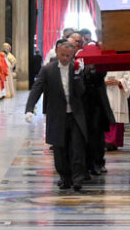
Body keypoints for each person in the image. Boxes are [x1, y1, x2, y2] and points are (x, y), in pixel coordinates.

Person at [25, 38, 88, 191]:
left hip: (75, 115)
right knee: (60, 149)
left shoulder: (77, 69)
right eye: (62, 55)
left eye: (68, 56)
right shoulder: (48, 69)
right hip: (57, 115)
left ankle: (77, 179)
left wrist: (78, 76)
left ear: (72, 55)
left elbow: (81, 92)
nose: (65, 58)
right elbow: (37, 88)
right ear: (57, 53)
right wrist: (29, 108)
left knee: (77, 148)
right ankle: (65, 177)